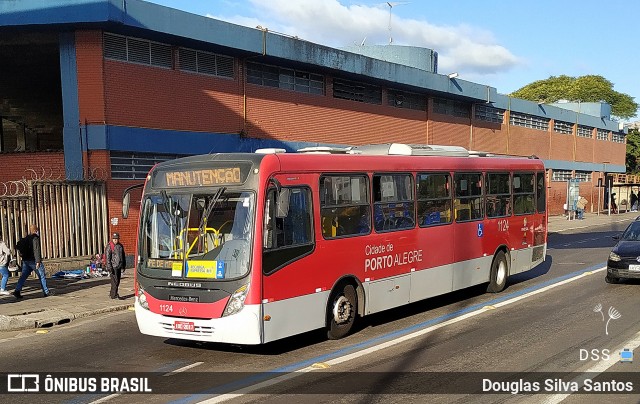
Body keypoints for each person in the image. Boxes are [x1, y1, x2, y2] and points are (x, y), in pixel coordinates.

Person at [13, 224, 52, 299]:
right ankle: (46, 291)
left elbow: (18, 247)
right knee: (41, 275)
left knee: (23, 276)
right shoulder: (35, 238)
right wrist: (38, 261)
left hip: (25, 261)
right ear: (36, 230)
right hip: (33, 260)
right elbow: (36, 250)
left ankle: (17, 290)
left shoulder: (26, 238)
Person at [105, 232, 126, 299]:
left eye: (116, 239)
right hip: (113, 266)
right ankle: (114, 295)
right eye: (114, 239)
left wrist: (123, 265)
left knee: (118, 281)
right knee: (115, 282)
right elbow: (107, 257)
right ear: (112, 239)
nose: (115, 240)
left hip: (119, 266)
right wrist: (109, 267)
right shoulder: (109, 246)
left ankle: (112, 293)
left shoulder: (120, 246)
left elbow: (123, 256)